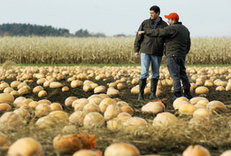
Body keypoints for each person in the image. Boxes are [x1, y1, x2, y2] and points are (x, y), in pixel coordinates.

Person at [138, 12, 192, 100]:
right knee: (183, 74)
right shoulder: (185, 29)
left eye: (169, 19)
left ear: (173, 20)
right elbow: (188, 43)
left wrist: (145, 32)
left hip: (172, 55)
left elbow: (158, 32)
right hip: (181, 56)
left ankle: (177, 94)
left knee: (175, 76)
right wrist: (184, 53)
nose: (167, 21)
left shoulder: (171, 28)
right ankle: (187, 93)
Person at [134, 5, 168, 100]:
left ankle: (152, 94)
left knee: (155, 73)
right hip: (145, 50)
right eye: (150, 13)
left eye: (153, 13)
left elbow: (167, 41)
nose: (151, 15)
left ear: (158, 13)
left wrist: (166, 53)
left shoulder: (164, 25)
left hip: (157, 52)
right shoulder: (145, 23)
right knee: (144, 73)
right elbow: (138, 36)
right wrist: (136, 50)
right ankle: (141, 94)